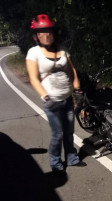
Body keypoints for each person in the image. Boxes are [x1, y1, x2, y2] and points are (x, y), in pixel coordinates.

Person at [26, 14, 86, 176]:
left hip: (67, 98)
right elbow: (33, 78)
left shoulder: (62, 49)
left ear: (54, 32)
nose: (46, 35)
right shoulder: (34, 53)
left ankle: (72, 158)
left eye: (49, 31)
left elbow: (71, 70)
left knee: (69, 131)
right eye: (41, 32)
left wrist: (78, 90)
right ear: (36, 35)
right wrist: (45, 96)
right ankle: (55, 162)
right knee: (58, 133)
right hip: (51, 101)